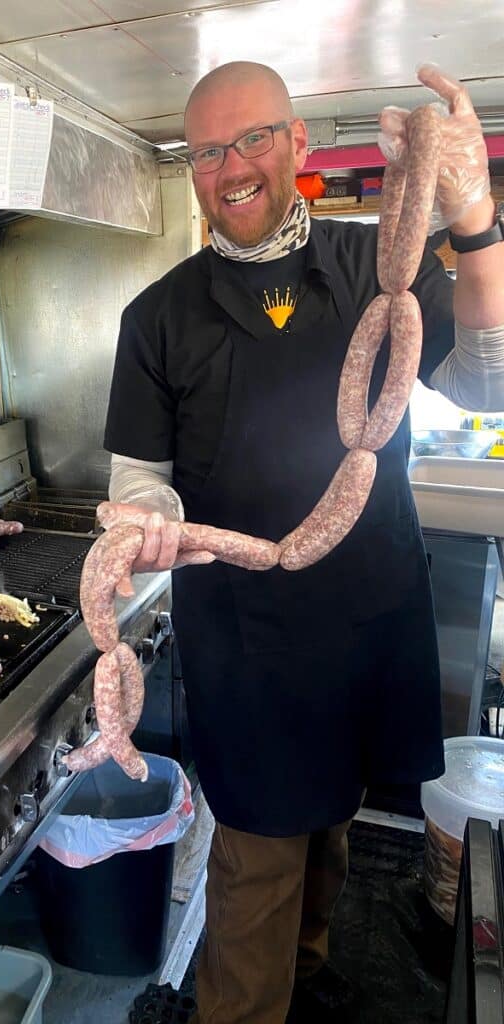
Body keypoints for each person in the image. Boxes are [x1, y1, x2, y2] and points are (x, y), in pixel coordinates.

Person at [100, 62, 504, 1024]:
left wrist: (475, 219)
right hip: (246, 636)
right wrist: (147, 518)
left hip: (369, 611)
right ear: (192, 169)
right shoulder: (158, 315)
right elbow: (139, 475)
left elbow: (488, 382)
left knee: (333, 820)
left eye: (252, 139)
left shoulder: (378, 263)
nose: (231, 167)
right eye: (208, 151)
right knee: (259, 853)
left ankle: (309, 974)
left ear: (297, 144)